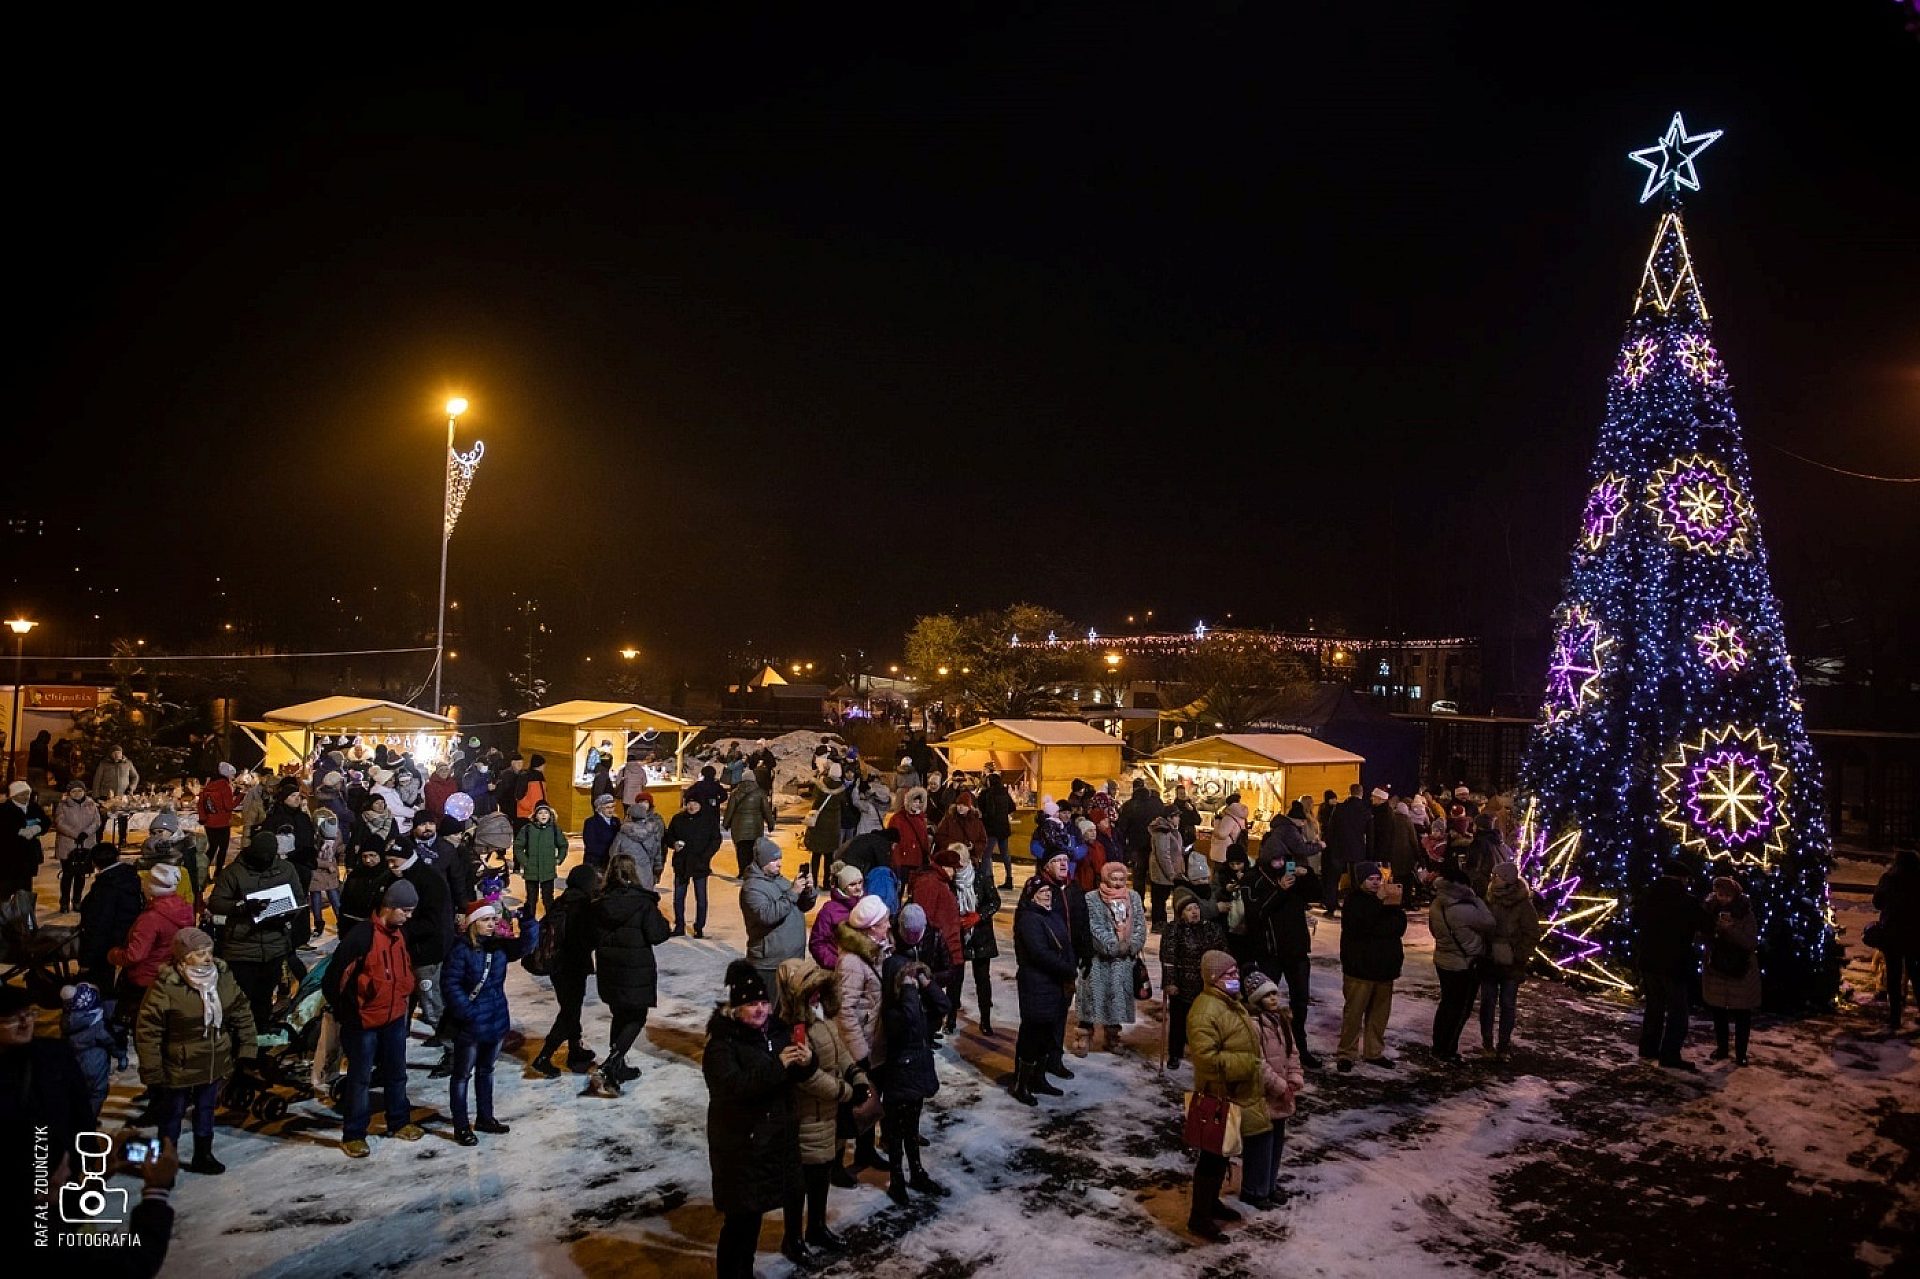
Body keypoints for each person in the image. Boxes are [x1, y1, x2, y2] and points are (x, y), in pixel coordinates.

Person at [705, 959, 814, 1277]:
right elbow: (732, 1087)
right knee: (739, 1221)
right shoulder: (722, 1045)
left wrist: (806, 1062)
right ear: (735, 1007)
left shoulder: (776, 1032)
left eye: (764, 1002)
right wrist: (777, 1066)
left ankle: (746, 1271)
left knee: (752, 1219)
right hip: (740, 1147)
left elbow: (793, 1075)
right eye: (752, 1004)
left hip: (770, 1145)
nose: (761, 1010)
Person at [134, 927, 258, 1174]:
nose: (208, 958)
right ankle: (165, 1159)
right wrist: (152, 1071)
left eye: (209, 951)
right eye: (200, 954)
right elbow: (148, 1031)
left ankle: (204, 1154)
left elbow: (240, 1010)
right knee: (173, 1113)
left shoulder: (222, 977)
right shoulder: (166, 987)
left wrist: (247, 1048)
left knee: (206, 1109)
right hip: (178, 1064)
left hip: (213, 1059)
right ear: (183, 957)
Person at [324, 880, 425, 1157]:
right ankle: (354, 1133)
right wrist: (350, 1014)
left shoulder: (399, 933)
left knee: (396, 1073)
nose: (409, 916)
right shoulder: (360, 937)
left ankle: (399, 1122)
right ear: (388, 907)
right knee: (360, 1079)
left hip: (393, 1017)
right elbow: (334, 981)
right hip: (363, 1022)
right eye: (405, 910)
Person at [777, 955, 866, 1254]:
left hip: (826, 1117)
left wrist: (857, 1075)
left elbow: (839, 1050)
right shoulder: (792, 1029)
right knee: (799, 1184)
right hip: (808, 1119)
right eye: (810, 990)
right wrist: (845, 1092)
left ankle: (816, 1228)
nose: (817, 994)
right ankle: (793, 1239)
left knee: (820, 1179)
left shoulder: (821, 1016)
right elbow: (807, 1078)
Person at [1184, 950, 1266, 1241]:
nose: (1236, 979)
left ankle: (1211, 1203)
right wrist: (1248, 1065)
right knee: (1211, 1157)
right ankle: (1199, 1217)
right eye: (1229, 975)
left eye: (1235, 974)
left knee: (1222, 1155)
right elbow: (1206, 1059)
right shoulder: (1205, 1010)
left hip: (1235, 1094)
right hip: (1217, 1096)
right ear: (1214, 979)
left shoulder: (1230, 1002)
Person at [441, 899, 529, 1144]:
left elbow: (525, 946)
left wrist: (529, 922)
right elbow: (450, 984)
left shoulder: (498, 947)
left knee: (486, 1071)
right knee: (462, 1075)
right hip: (470, 1025)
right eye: (485, 920)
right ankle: (461, 1125)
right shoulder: (460, 951)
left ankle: (485, 1117)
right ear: (472, 923)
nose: (491, 924)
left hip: (496, 1020)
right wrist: (468, 1013)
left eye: (493, 919)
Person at [207, 831, 303, 1037]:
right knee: (242, 998)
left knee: (264, 997)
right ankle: (240, 1039)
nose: (265, 862)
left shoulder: (285, 869)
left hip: (274, 944)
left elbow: (298, 898)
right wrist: (242, 907)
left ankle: (260, 1037)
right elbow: (216, 902)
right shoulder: (234, 872)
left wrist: (285, 916)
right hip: (242, 946)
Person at [1243, 832, 1324, 1067]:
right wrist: (1279, 890)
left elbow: (1316, 895)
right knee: (1264, 1001)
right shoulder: (1254, 879)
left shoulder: (1293, 877)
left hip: (1297, 952)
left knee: (1300, 1002)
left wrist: (1307, 875)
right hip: (1270, 952)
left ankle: (1300, 1048)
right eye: (1276, 860)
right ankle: (1262, 1046)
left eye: (1284, 860)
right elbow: (1256, 913)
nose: (1281, 864)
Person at [592, 853, 671, 1091]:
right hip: (636, 968)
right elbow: (658, 934)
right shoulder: (643, 902)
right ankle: (613, 1062)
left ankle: (618, 1065)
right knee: (636, 1017)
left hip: (609, 967)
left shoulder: (600, 903)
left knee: (619, 1014)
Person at [878, 948, 951, 1205]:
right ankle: (897, 1179)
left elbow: (944, 1005)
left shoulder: (916, 1004)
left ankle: (917, 1171)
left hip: (916, 1073)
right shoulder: (894, 1012)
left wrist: (926, 982)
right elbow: (908, 1022)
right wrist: (909, 990)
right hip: (899, 1075)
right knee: (897, 1131)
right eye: (906, 978)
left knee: (912, 1127)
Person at [833, 895, 893, 1173]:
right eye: (884, 923)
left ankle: (865, 1152)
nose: (889, 926)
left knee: (871, 1100)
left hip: (875, 1041)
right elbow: (844, 1010)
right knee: (850, 1107)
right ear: (869, 929)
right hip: (861, 1048)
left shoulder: (877, 949)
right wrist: (860, 1054)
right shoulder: (852, 963)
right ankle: (835, 1164)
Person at [384, 837, 455, 1068]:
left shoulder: (428, 881)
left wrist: (399, 931)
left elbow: (433, 923)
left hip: (427, 953)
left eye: (394, 862)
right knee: (405, 1000)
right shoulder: (405, 877)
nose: (391, 867)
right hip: (411, 952)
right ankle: (394, 1049)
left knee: (432, 1004)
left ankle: (454, 1052)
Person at [533, 863, 604, 1078]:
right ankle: (544, 1056)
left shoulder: (561, 901)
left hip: (556, 965)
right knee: (569, 1011)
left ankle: (575, 1050)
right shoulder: (582, 905)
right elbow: (587, 937)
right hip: (572, 965)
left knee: (570, 1007)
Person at [1634, 857, 1706, 1072]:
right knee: (1677, 1012)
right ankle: (1670, 1053)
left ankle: (1648, 1047)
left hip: (1648, 960)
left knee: (1654, 1007)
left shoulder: (1648, 895)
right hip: (1674, 963)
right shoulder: (1687, 901)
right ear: (1682, 879)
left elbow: (1636, 920)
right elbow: (1706, 924)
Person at [1010, 874, 1076, 1105]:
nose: (1048, 894)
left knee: (1047, 1032)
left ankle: (1038, 1078)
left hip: (1054, 984)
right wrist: (1066, 969)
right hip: (1037, 983)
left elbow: (1065, 945)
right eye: (1042, 892)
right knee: (1033, 1033)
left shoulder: (1051, 915)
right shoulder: (1029, 919)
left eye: (1049, 890)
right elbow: (1039, 953)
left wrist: (1069, 965)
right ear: (1032, 896)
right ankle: (1021, 1083)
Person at [1242, 971, 1305, 1209]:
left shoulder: (1282, 1021)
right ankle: (1254, 1189)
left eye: (1274, 993)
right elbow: (1256, 1063)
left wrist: (1294, 1078)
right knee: (1261, 1143)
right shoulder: (1253, 1025)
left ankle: (1268, 1184)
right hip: (1264, 1094)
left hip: (1282, 1093)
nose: (1273, 999)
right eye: (1267, 995)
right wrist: (1279, 1086)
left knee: (1277, 1141)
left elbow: (1292, 1052)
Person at [1337, 861, 1407, 1071]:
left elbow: (1398, 926)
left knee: (1379, 1014)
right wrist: (1378, 909)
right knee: (1354, 1013)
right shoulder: (1354, 901)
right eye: (1371, 879)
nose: (1376, 883)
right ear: (1361, 881)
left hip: (1385, 968)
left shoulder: (1390, 902)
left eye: (1378, 879)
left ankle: (1373, 1051)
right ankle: (1346, 1053)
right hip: (1360, 968)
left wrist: (1386, 914)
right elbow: (1360, 926)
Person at [1074, 860, 1146, 1055]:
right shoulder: (1092, 898)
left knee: (1117, 999)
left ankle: (1112, 1036)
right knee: (1091, 998)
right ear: (1105, 878)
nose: (1118, 883)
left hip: (1123, 961)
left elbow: (1140, 924)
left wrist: (1131, 945)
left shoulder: (1133, 897)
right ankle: (1084, 1034)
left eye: (1122, 879)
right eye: (1113, 879)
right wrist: (1113, 945)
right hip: (1098, 960)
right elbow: (1093, 926)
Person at [1428, 865, 1495, 1063]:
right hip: (1464, 964)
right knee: (1459, 1010)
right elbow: (1489, 923)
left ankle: (1439, 1046)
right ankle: (1448, 1050)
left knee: (1446, 1005)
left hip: (1443, 960)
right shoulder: (1465, 908)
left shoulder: (1437, 904)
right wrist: (1477, 900)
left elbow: (1434, 931)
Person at [1479, 860, 1541, 1060]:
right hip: (1489, 960)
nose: (1493, 879)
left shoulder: (1523, 905)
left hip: (1512, 964)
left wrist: (1518, 955)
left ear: (1506, 879)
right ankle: (1487, 1042)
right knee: (1488, 1002)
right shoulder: (1488, 899)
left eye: (1496, 876)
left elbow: (1531, 933)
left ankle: (1503, 1044)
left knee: (1508, 1003)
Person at [1161, 886, 1227, 1070]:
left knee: (1207, 1021)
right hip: (1182, 985)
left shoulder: (1211, 929)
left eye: (1196, 908)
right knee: (1179, 1022)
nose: (1194, 912)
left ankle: (1207, 1052)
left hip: (1206, 985)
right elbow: (1168, 959)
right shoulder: (1174, 930)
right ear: (1181, 913)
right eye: (1189, 910)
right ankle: (1175, 1053)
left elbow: (1222, 952)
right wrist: (1170, 982)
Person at [1701, 875, 1762, 1066]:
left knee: (1742, 1013)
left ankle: (1741, 1053)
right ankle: (1722, 1048)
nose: (1723, 898)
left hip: (1741, 969)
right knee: (1719, 1011)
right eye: (1720, 894)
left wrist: (1730, 929)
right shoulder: (1709, 909)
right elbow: (1702, 934)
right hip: (1717, 968)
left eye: (1727, 895)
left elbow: (1750, 942)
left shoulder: (1745, 913)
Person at [742, 837, 816, 992]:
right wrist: (792, 892)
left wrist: (807, 892)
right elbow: (767, 916)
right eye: (774, 860)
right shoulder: (752, 888)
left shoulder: (779, 880)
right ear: (762, 862)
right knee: (770, 1009)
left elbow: (801, 906)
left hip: (792, 959)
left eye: (780, 859)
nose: (779, 863)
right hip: (770, 964)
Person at [912, 847, 968, 1031]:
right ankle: (927, 1032)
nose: (955, 873)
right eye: (954, 868)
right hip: (937, 947)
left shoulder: (940, 881)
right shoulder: (930, 882)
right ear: (945, 867)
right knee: (931, 992)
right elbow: (924, 916)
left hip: (947, 944)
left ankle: (932, 1029)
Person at [79, 842, 143, 990]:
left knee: (100, 986)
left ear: (94, 862)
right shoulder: (128, 877)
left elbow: (98, 925)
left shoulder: (107, 886)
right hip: (124, 937)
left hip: (106, 946)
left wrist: (87, 960)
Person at [1873, 847, 1920, 1032]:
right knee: (1916, 974)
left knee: (1893, 975)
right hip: (1916, 934)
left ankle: (1894, 1017)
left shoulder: (1888, 879)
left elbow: (1876, 902)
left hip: (1892, 933)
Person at [960, 835, 1003, 1035]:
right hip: (959, 936)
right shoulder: (951, 881)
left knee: (982, 979)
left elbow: (994, 901)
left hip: (981, 935)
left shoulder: (981, 878)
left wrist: (979, 915)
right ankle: (951, 1017)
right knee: (955, 979)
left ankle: (985, 1019)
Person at [667, 793, 720, 938]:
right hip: (681, 863)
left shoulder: (708, 820)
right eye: (689, 803)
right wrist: (674, 843)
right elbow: (668, 836)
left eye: (695, 803)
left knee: (701, 898)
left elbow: (715, 840)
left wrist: (705, 856)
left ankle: (699, 926)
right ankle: (679, 925)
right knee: (679, 896)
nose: (691, 806)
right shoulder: (678, 819)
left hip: (700, 863)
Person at [61, 981, 115, 1120]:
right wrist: (120, 1055)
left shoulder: (67, 1021)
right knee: (97, 1093)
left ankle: (76, 1119)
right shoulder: (96, 1025)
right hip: (94, 1065)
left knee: (77, 1092)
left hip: (74, 1063)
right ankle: (88, 1121)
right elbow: (108, 1041)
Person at [511, 801, 568, 921]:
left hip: (548, 871)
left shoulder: (554, 829)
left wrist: (559, 859)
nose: (543, 815)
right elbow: (518, 846)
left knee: (548, 899)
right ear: (535, 815)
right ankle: (530, 923)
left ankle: (551, 924)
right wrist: (525, 861)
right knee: (531, 899)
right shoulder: (527, 829)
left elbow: (563, 845)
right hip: (531, 871)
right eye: (540, 813)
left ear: (550, 814)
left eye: (546, 812)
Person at [0, 780, 50, 917]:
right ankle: (4, 919)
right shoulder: (4, 809)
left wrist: (37, 828)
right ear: (13, 796)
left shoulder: (34, 807)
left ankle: (26, 920)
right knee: (6, 890)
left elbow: (46, 821)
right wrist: (18, 831)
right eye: (22, 795)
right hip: (9, 859)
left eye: (27, 794)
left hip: (28, 858)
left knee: (26, 891)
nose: (26, 797)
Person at [54, 779, 103, 913]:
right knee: (68, 874)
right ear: (69, 793)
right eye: (73, 791)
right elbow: (59, 822)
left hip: (86, 844)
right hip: (68, 845)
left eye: (79, 790)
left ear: (84, 791)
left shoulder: (91, 804)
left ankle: (77, 900)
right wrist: (75, 834)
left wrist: (86, 833)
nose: (77, 793)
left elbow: (97, 821)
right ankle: (64, 902)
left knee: (81, 875)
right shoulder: (63, 805)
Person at [1323, 784, 1370, 915]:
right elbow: (1369, 832)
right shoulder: (1364, 810)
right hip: (1357, 849)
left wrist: (1330, 845)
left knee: (1334, 879)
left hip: (1338, 849)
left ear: (1350, 792)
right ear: (1361, 793)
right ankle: (1357, 907)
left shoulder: (1339, 808)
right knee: (1357, 880)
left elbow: (1331, 829)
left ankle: (1331, 906)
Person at [723, 768, 778, 878]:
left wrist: (726, 823)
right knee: (754, 850)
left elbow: (730, 810)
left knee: (741, 850)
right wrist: (770, 823)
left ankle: (742, 871)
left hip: (739, 826)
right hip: (756, 826)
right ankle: (753, 871)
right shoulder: (760, 793)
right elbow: (766, 810)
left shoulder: (735, 793)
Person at [1369, 788, 1421, 900]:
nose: (1371, 798)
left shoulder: (1384, 814)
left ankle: (1386, 899)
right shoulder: (1382, 812)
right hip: (1385, 853)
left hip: (1383, 853)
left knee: (1383, 879)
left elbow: (1383, 836)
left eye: (1373, 796)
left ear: (1380, 798)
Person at [809, 863, 863, 969]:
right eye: (852, 885)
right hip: (839, 969)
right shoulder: (829, 911)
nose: (858, 888)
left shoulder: (867, 903)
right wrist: (836, 964)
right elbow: (817, 943)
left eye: (860, 882)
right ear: (843, 887)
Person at [613, 794, 667, 889]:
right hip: (647, 871)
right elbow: (657, 851)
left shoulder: (623, 832)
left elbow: (613, 853)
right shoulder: (652, 831)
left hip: (627, 872)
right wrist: (657, 869)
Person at [197, 763, 239, 877]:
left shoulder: (208, 786)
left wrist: (203, 818)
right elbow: (229, 806)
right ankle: (218, 873)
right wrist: (241, 796)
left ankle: (203, 871)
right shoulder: (225, 786)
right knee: (223, 849)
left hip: (209, 823)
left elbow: (200, 803)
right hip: (222, 823)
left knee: (212, 848)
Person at [978, 771, 1016, 889]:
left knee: (986, 854)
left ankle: (986, 881)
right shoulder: (1004, 793)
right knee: (1005, 854)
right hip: (1003, 827)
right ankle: (1009, 878)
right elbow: (1012, 807)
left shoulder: (987, 794)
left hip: (991, 827)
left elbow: (986, 810)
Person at [310, 809, 345, 937]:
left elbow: (339, 846)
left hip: (330, 869)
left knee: (335, 897)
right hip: (317, 869)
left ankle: (341, 922)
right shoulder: (313, 834)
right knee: (316, 898)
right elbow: (311, 856)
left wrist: (343, 854)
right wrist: (325, 864)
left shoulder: (335, 831)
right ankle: (318, 923)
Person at [889, 786, 933, 877]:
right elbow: (893, 841)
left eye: (919, 802)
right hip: (903, 860)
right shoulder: (897, 818)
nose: (916, 804)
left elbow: (924, 840)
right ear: (908, 801)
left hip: (918, 859)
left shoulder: (921, 818)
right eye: (914, 801)